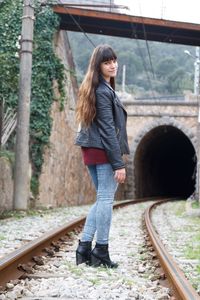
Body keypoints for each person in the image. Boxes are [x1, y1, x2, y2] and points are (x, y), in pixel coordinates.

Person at [75, 44, 130, 268]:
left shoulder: (97, 87)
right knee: (106, 200)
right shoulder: (102, 91)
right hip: (103, 151)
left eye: (114, 60)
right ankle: (101, 251)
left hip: (93, 150)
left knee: (101, 199)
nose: (113, 65)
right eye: (107, 62)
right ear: (98, 66)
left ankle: (84, 248)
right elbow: (108, 129)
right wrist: (118, 163)